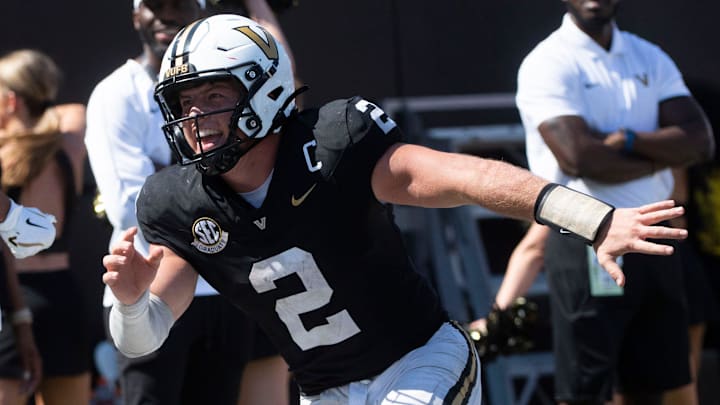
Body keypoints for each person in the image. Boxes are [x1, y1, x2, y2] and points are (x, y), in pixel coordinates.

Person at [102, 14, 691, 404]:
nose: (195, 117)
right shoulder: (179, 201)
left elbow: (470, 176)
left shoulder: (333, 146)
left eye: (214, 96)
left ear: (265, 89)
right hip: (324, 390)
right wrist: (131, 302)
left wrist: (596, 218)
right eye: (185, 101)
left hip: (418, 360)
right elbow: (142, 337)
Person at [84, 1, 293, 404]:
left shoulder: (239, 78)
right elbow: (135, 208)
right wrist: (222, 181)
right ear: (135, 17)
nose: (165, 15)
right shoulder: (115, 93)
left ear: (200, 11)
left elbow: (264, 164)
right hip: (156, 286)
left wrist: (176, 177)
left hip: (225, 284)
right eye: (153, 6)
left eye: (177, 4)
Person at [508, 0, 715, 403]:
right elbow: (580, 158)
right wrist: (661, 155)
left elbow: (700, 141)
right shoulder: (546, 62)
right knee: (586, 390)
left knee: (665, 385)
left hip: (656, 238)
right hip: (585, 236)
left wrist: (630, 141)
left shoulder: (649, 56)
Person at [0, 49, 90, 405]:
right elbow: (73, 111)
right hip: (61, 296)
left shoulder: (4, 154)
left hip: (12, 294)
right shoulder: (68, 144)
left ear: (10, 101)